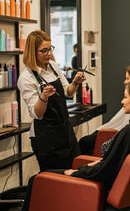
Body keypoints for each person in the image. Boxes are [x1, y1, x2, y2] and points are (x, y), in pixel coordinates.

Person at [0, 79, 130, 211]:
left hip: (98, 192)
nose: (122, 101)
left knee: (37, 181)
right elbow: (112, 162)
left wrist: (77, 172)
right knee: (42, 179)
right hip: (114, 190)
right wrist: (88, 166)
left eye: (126, 97)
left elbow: (105, 170)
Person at [17, 30, 86, 171]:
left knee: (76, 172)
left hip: (65, 131)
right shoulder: (26, 78)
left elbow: (68, 92)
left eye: (50, 49)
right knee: (55, 180)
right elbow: (37, 114)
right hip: (46, 138)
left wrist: (76, 82)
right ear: (32, 52)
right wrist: (43, 97)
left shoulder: (53, 67)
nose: (49, 53)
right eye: (44, 50)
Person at [78, 65, 130, 155]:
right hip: (113, 132)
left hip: (112, 134)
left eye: (127, 78)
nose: (125, 82)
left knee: (84, 141)